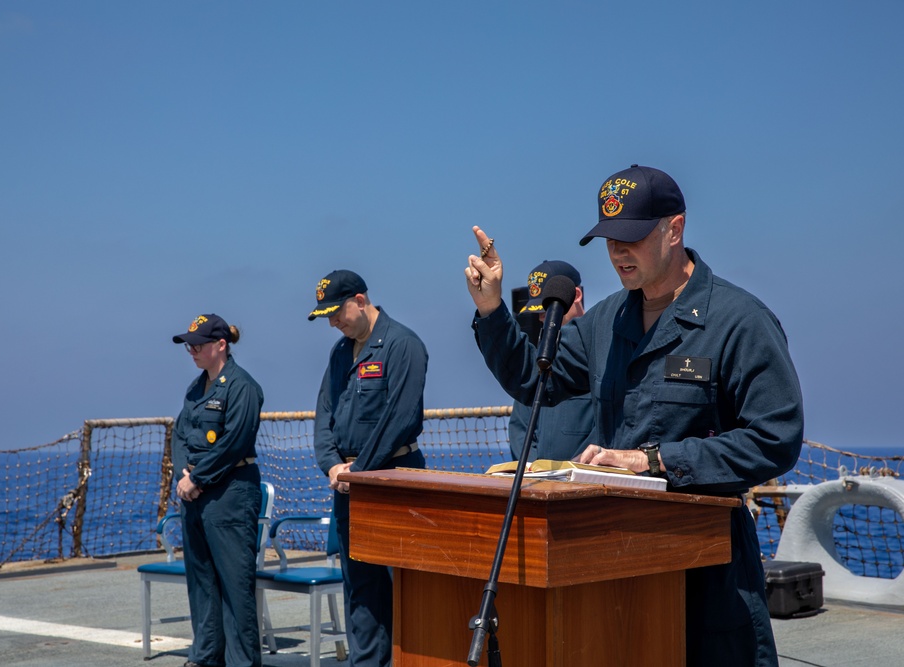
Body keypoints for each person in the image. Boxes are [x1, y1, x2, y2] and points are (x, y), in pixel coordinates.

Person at [464, 165, 803, 667]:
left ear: (675, 228)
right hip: (618, 571)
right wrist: (492, 310)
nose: (618, 251)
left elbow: (775, 439)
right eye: (609, 239)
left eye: (633, 238)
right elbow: (536, 381)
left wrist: (655, 462)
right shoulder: (606, 320)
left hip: (708, 570)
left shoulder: (738, 321)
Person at [308, 269, 428, 667]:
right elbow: (324, 414)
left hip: (393, 480)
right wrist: (332, 466)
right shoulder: (341, 351)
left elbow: (402, 417)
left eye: (337, 312)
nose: (333, 322)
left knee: (403, 588)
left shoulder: (403, 344)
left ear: (360, 300)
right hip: (348, 486)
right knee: (360, 589)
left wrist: (359, 469)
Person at [171, 314, 264, 667]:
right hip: (195, 495)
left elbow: (234, 442)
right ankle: (206, 656)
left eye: (198, 345)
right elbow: (181, 433)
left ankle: (242, 662)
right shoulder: (196, 387)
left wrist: (197, 479)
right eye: (189, 346)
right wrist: (184, 474)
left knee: (235, 586)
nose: (191, 351)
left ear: (221, 345)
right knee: (202, 581)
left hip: (230, 494)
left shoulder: (242, 387)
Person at [506, 260, 594, 462]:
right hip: (541, 483)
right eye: (539, 313)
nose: (540, 319)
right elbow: (520, 428)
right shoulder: (540, 358)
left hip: (588, 480)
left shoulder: (601, 350)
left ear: (576, 296)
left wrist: (579, 468)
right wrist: (537, 469)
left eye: (547, 311)